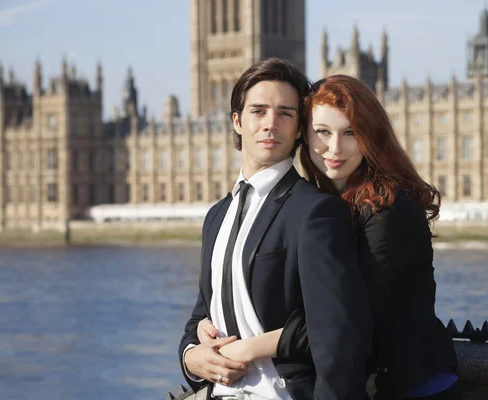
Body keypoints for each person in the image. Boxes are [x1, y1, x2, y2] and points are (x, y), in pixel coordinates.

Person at [197, 75, 460, 399]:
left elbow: (344, 318)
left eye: (350, 132)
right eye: (322, 132)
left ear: (369, 136)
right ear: (303, 136)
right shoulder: (321, 203)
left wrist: (248, 349)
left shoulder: (389, 208)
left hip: (408, 384)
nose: (334, 148)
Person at [178, 61, 372, 400]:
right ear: (237, 121)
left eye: (285, 113)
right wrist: (190, 356)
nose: (270, 123)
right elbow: (200, 317)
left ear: (299, 129)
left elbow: (337, 334)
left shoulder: (315, 211)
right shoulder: (216, 217)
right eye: (258, 111)